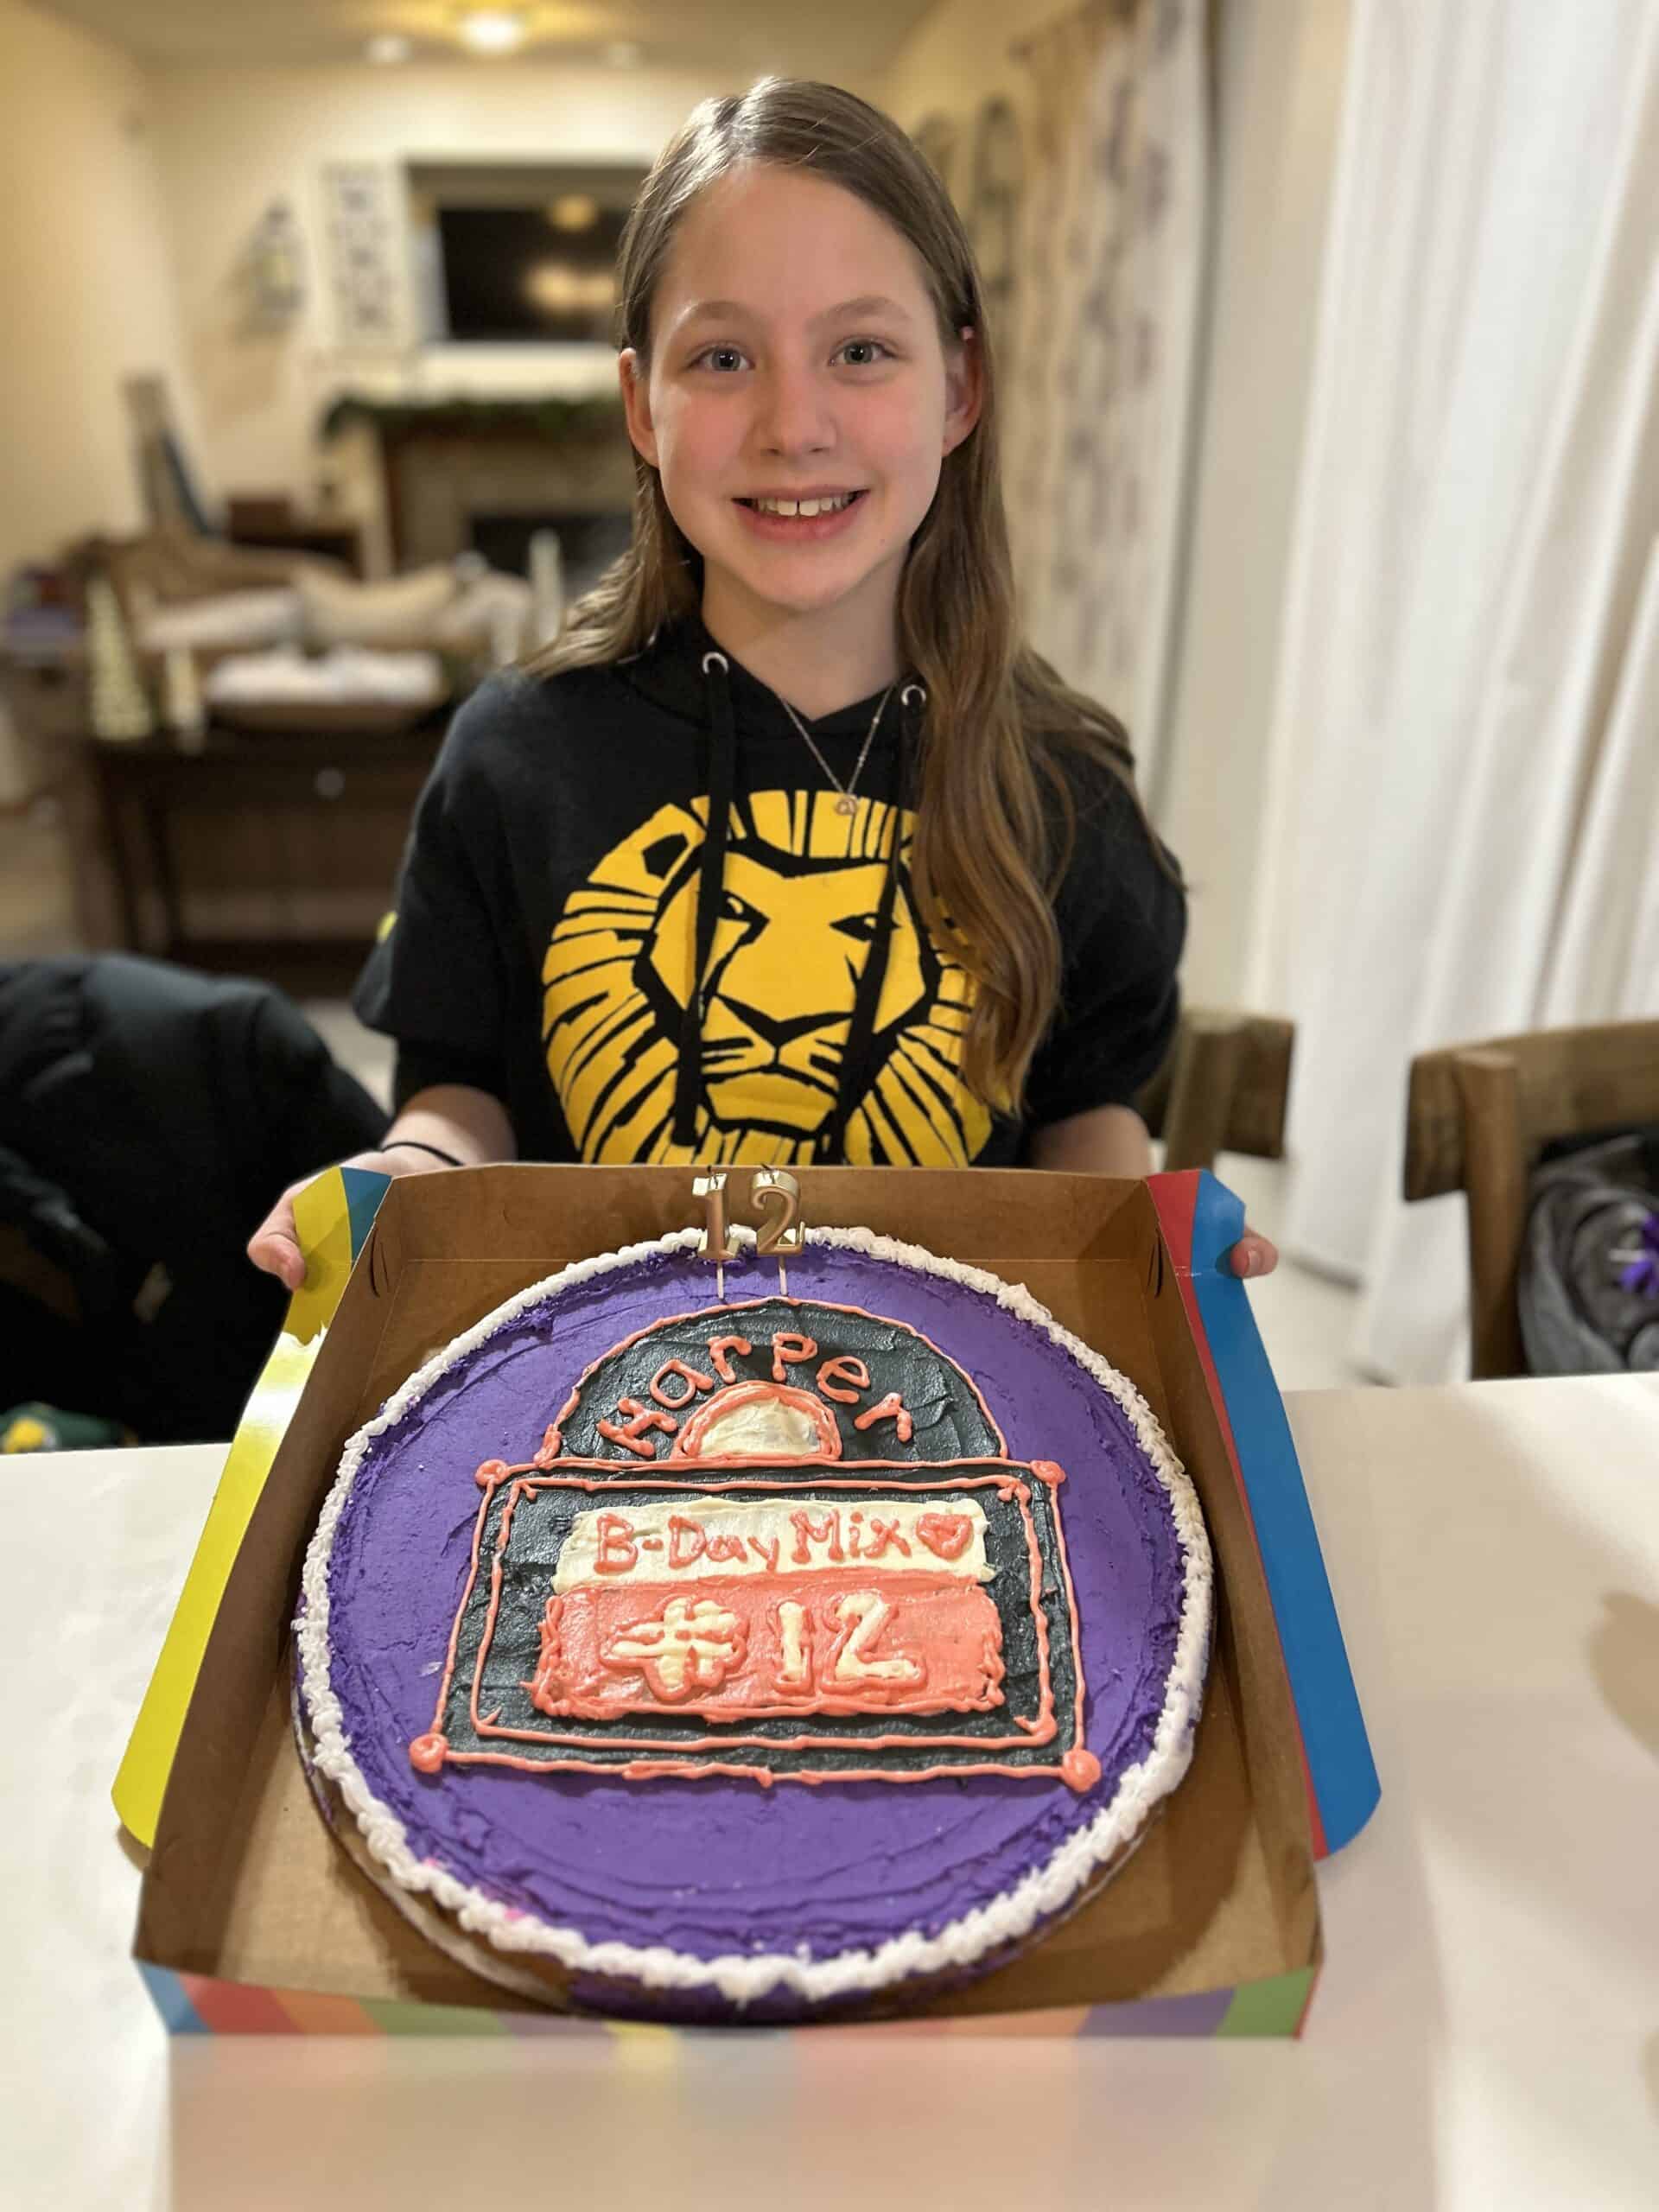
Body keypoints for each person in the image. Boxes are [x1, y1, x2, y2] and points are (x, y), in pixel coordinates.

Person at [249, 77, 1277, 1292]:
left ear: (959, 389)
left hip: (951, 1393)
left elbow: (1084, 1113)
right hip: (589, 1388)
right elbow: (457, 1086)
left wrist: (1146, 1233)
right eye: (725, 356)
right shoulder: (515, 755)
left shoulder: (1063, 782)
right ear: (643, 404)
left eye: (860, 350)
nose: (795, 425)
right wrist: (408, 1170)